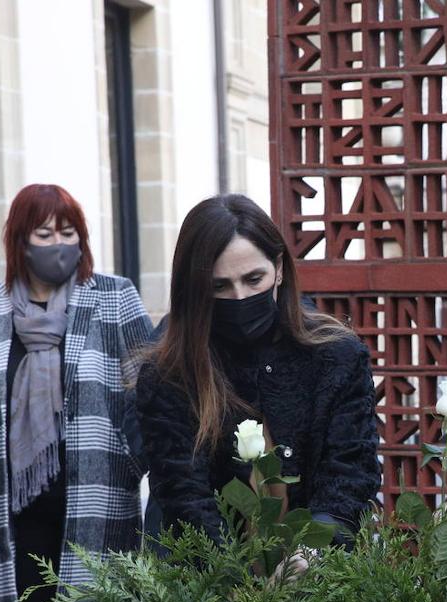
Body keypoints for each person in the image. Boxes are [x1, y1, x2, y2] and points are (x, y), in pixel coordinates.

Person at [0, 184, 154, 602]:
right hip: (13, 510)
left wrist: (129, 463)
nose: (59, 243)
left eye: (68, 231)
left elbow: (152, 394)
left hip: (100, 502)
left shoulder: (114, 297)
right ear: (20, 240)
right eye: (45, 232)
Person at [136, 194, 379, 543]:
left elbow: (350, 471)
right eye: (219, 286)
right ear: (196, 288)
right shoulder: (171, 370)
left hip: (321, 570)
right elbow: (181, 490)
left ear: (279, 269)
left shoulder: (336, 355)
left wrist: (313, 552)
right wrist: (235, 579)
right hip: (204, 574)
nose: (239, 298)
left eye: (254, 279)